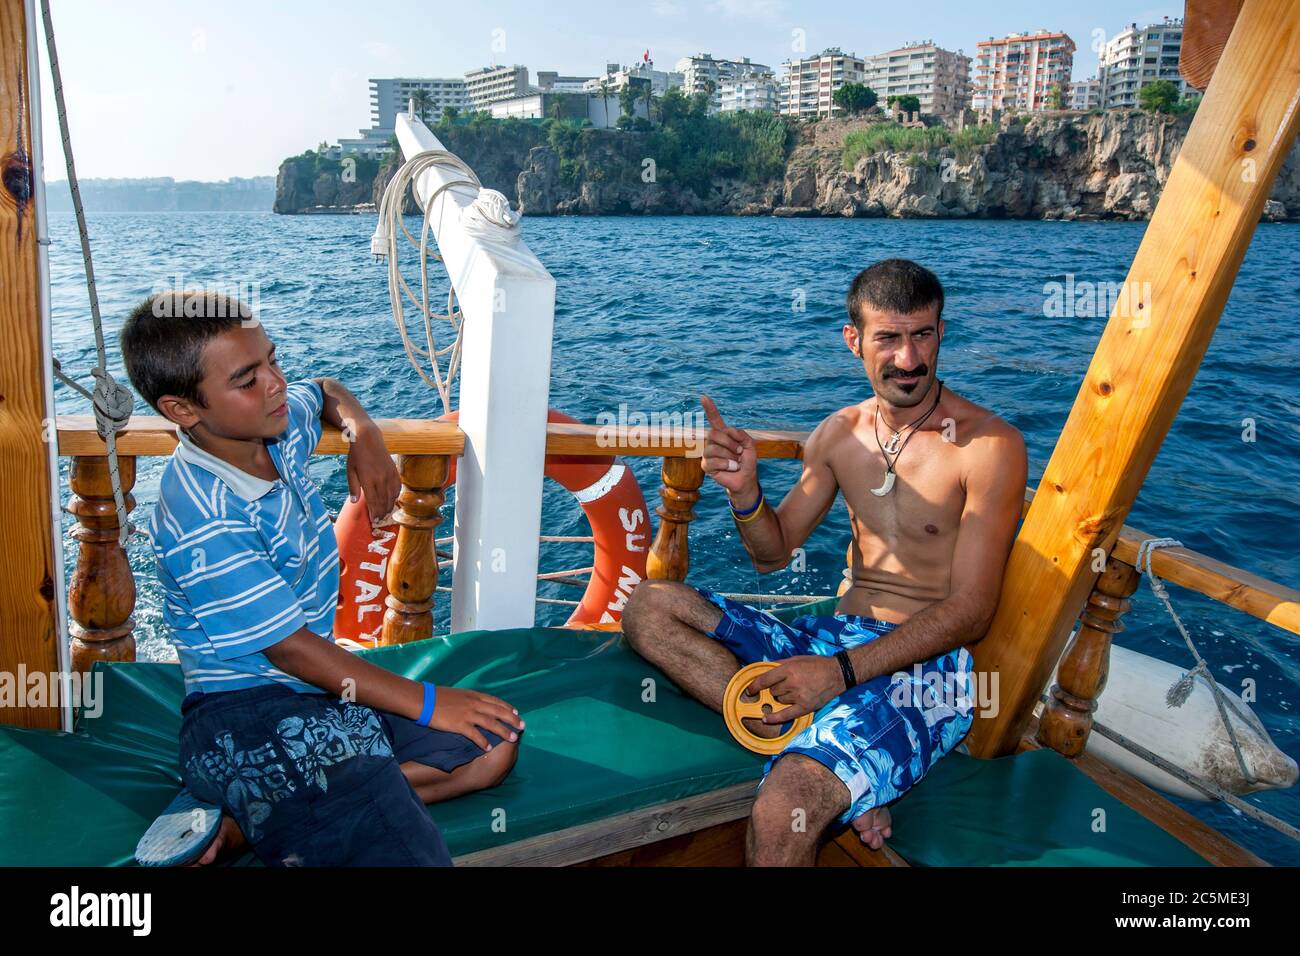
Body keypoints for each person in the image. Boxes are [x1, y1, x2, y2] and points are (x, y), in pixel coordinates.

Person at [622, 258, 1027, 866]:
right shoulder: (839, 434)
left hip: (927, 669)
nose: (908, 359)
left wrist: (834, 675)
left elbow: (971, 612)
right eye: (889, 337)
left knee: (785, 806)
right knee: (651, 607)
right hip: (834, 638)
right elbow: (772, 553)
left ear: (942, 334)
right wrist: (745, 494)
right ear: (854, 340)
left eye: (922, 335)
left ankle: (829, 756)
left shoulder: (989, 446)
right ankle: (839, 754)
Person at [120, 290, 522, 866]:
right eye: (247, 379)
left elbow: (327, 389)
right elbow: (288, 650)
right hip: (245, 709)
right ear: (184, 410)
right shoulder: (200, 509)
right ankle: (271, 794)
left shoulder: (275, 433)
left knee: (491, 747)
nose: (277, 383)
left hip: (315, 694)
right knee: (393, 835)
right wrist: (430, 703)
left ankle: (247, 820)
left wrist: (366, 433)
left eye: (272, 361)